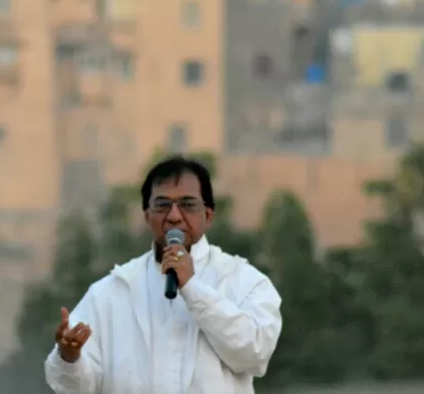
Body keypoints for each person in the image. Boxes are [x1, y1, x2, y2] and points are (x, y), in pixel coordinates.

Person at [45, 155, 282, 394]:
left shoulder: (244, 281)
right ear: (147, 216)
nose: (174, 216)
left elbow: (255, 355)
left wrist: (192, 287)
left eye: (188, 204)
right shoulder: (113, 291)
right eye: (162, 205)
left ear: (208, 215)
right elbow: (73, 387)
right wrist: (69, 357)